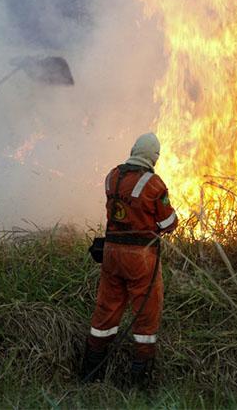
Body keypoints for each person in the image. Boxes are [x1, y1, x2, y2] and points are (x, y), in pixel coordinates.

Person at [80, 132, 178, 387]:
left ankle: (91, 374)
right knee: (146, 314)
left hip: (111, 253)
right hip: (140, 258)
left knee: (106, 311)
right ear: (154, 157)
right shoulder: (154, 184)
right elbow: (168, 223)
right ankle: (139, 381)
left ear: (133, 150)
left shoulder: (112, 176)